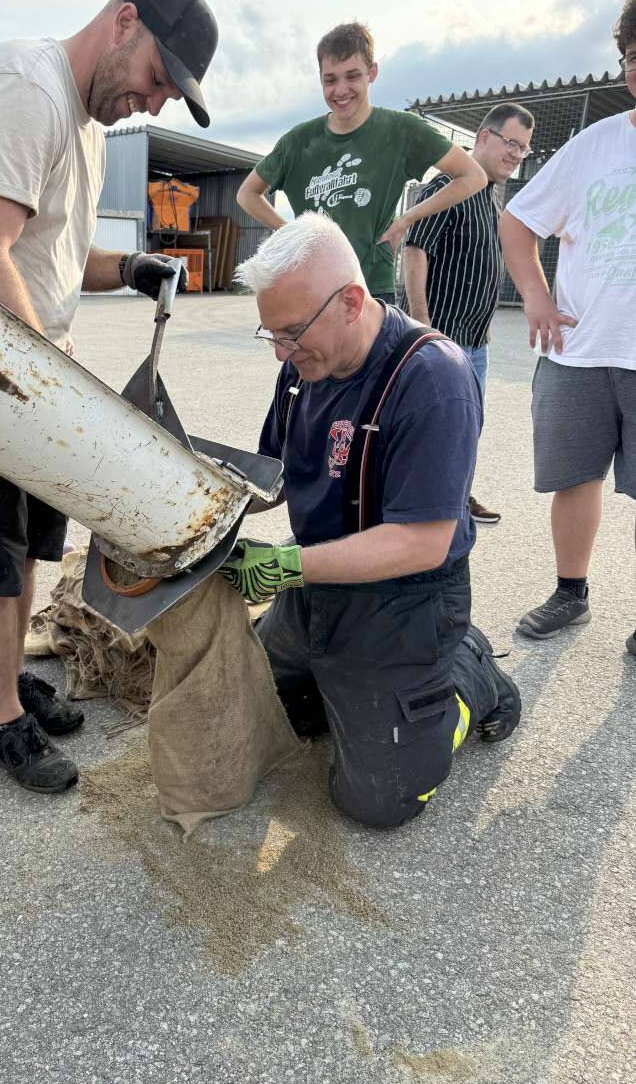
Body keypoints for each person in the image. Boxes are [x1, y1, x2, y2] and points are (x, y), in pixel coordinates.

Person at [0, 0, 219, 792]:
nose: (154, 104)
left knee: (26, 555)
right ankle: (3, 721)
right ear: (125, 22)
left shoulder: (83, 124)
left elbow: (47, 251)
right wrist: (55, 395)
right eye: (158, 79)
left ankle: (9, 681)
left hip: (30, 385)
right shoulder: (25, 87)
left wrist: (129, 264)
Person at [219, 214, 521, 828]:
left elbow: (422, 542)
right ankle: (361, 683)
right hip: (318, 584)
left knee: (377, 801)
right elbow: (274, 473)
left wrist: (284, 565)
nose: (280, 351)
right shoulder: (303, 368)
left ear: (352, 301)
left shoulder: (432, 378)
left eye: (292, 333)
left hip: (404, 598)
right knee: (264, 714)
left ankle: (467, 674)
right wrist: (209, 509)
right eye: (270, 334)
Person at [499, 0, 636, 652]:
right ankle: (569, 593)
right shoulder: (595, 146)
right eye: (634, 57)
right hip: (579, 351)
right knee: (575, 477)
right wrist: (536, 296)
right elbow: (518, 221)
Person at [235, 21, 486, 303]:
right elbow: (247, 194)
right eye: (330, 79)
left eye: (352, 76)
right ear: (320, 80)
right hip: (313, 286)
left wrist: (407, 219)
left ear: (372, 73)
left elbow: (473, 176)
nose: (341, 89)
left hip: (372, 287)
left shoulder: (402, 130)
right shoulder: (298, 141)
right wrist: (290, 233)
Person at [403, 102, 536, 524]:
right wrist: (422, 322)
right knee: (435, 428)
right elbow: (415, 249)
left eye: (524, 148)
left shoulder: (489, 199)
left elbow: (476, 266)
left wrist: (485, 325)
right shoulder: (448, 184)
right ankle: (422, 509)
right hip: (440, 338)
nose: (517, 154)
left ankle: (454, 499)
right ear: (483, 137)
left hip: (474, 340)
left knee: (465, 429)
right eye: (511, 142)